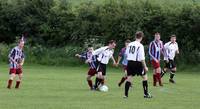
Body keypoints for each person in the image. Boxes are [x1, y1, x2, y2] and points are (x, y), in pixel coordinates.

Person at [124, 31, 152, 98]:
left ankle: (125, 95)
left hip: (130, 63)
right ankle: (146, 94)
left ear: (135, 36)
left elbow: (126, 54)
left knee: (129, 78)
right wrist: (145, 67)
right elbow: (142, 58)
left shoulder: (130, 44)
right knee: (145, 77)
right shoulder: (140, 45)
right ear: (141, 37)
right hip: (137, 63)